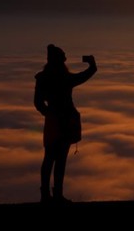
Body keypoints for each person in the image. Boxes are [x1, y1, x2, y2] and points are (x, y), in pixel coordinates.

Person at [34, 44, 97, 204]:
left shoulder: (43, 78)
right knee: (60, 158)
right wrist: (92, 65)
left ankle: (46, 195)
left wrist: (48, 113)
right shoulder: (65, 78)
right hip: (65, 120)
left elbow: (38, 102)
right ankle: (56, 195)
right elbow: (83, 76)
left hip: (54, 121)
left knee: (49, 157)